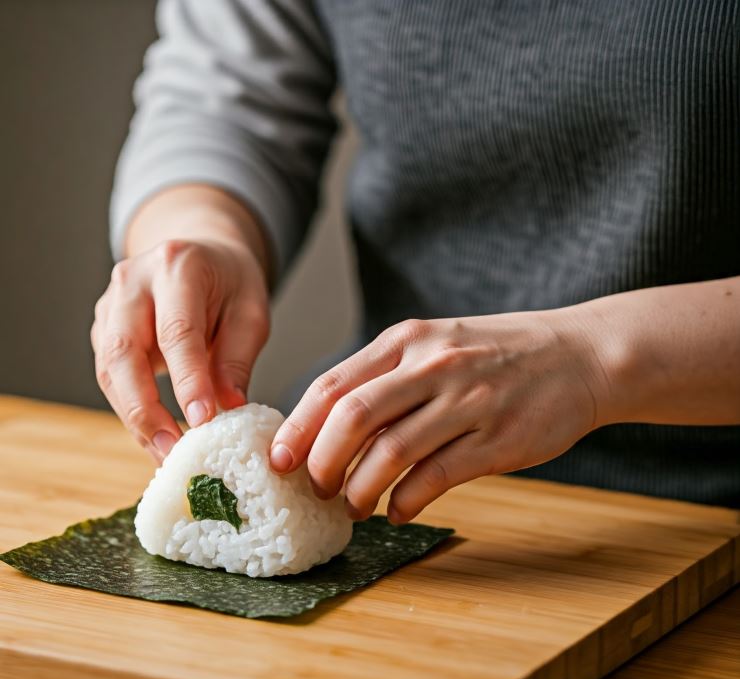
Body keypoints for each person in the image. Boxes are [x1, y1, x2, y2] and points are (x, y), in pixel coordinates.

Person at [92, 1, 740, 522]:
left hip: (709, 502)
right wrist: (203, 232)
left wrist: (597, 359)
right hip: (380, 485)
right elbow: (225, 96)